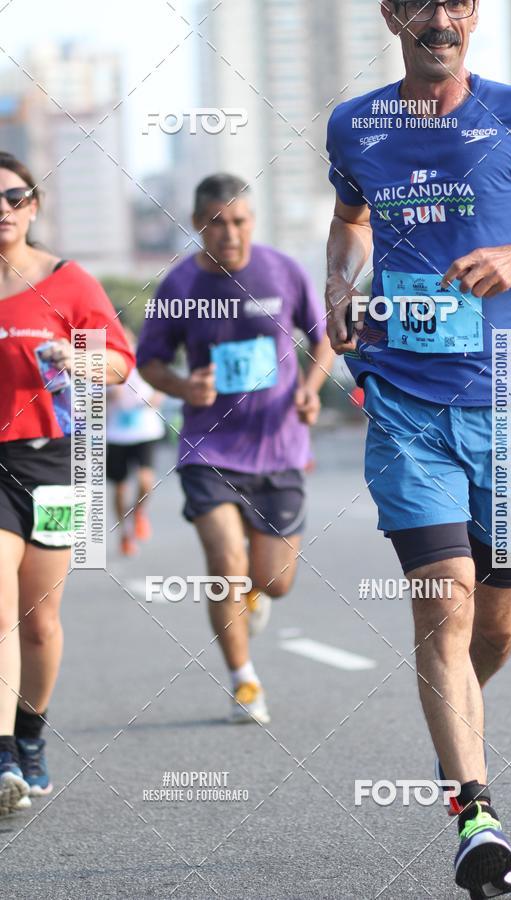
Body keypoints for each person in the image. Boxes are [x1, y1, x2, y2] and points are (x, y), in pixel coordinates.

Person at [325, 2, 511, 896]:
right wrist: (338, 285)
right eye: (421, 2)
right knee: (443, 596)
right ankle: (475, 811)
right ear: (392, 15)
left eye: (456, 2)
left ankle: (458, 715)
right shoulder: (355, 123)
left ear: (473, 15)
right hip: (405, 395)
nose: (438, 17)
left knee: (497, 620)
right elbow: (351, 219)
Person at [137, 173, 334, 724]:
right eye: (217, 223)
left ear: (253, 220)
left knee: (275, 581)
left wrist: (309, 390)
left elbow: (323, 340)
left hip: (279, 446)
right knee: (226, 563)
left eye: (240, 221)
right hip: (209, 448)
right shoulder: (179, 286)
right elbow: (149, 362)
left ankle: (256, 592)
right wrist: (184, 387)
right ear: (198, 224)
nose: (230, 233)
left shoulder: (282, 271)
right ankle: (244, 682)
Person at [0, 152, 135, 816]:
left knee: (40, 623)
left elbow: (119, 363)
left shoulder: (69, 281)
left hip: (56, 465)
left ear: (34, 206)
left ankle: (30, 735)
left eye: (14, 197)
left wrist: (77, 357)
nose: (3, 210)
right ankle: (2, 756)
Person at [106, 327, 165, 556]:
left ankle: (139, 511)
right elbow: (89, 396)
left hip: (145, 431)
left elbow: (162, 384)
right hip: (117, 434)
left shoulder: (146, 358)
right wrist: (108, 395)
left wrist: (156, 398)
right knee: (120, 488)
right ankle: (125, 532)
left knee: (145, 481)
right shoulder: (104, 361)